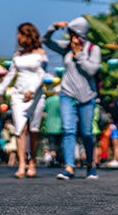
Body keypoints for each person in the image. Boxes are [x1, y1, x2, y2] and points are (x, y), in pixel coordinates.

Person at [43, 17, 101, 180]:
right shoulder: (66, 48)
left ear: (81, 33)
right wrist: (53, 27)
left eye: (74, 33)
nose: (71, 37)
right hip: (67, 94)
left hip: (87, 97)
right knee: (68, 131)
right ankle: (69, 167)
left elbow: (91, 71)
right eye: (70, 33)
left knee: (87, 133)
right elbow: (45, 41)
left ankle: (90, 164)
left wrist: (78, 55)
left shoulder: (93, 49)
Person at [0, 23, 48, 178]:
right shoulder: (17, 55)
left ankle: (32, 162)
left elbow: (42, 75)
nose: (18, 37)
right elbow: (10, 75)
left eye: (21, 34)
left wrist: (32, 91)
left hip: (36, 95)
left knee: (34, 130)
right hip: (18, 95)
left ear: (28, 35)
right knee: (20, 129)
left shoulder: (41, 53)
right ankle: (22, 163)